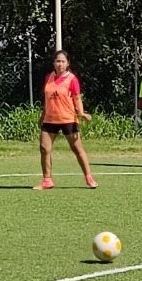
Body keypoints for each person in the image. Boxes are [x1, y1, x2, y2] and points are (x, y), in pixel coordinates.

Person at [36, 50, 97, 190]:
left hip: (68, 118)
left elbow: (77, 98)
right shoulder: (48, 77)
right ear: (53, 63)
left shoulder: (72, 79)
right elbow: (47, 99)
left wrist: (81, 113)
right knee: (44, 148)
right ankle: (47, 180)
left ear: (68, 63)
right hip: (50, 119)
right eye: (58, 61)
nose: (60, 64)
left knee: (77, 149)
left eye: (63, 61)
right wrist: (42, 115)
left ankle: (89, 177)